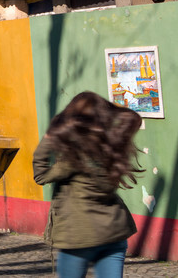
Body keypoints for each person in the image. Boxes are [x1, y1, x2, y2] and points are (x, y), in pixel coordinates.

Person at [33, 92, 142, 278]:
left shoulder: (73, 159)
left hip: (79, 238)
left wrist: (49, 137)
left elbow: (41, 175)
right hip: (114, 233)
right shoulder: (113, 150)